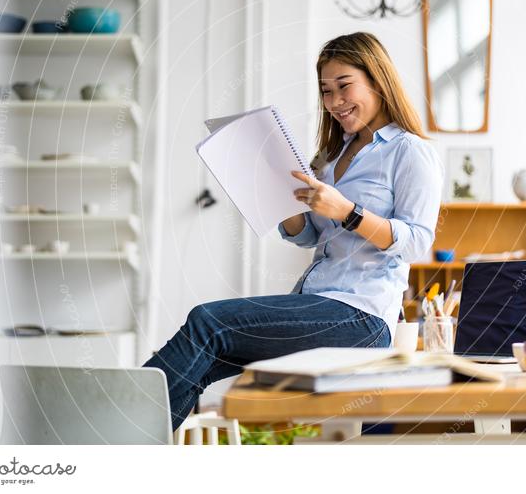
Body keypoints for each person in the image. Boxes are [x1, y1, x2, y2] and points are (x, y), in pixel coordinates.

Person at [144, 32, 443, 430]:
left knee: (208, 322)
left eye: (344, 86)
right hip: (319, 302)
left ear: (377, 79)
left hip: (363, 318)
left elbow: (417, 243)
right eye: (325, 91)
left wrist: (348, 211)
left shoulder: (410, 151)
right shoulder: (331, 158)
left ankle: (112, 432)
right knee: (201, 358)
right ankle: (134, 450)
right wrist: (275, 197)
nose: (335, 102)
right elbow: (308, 235)